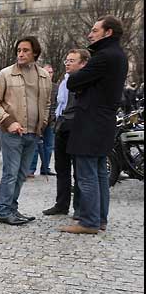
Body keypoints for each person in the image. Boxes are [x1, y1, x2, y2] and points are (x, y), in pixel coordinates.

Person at [58, 15, 128, 234]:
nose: (90, 34)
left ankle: (88, 221)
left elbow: (74, 81)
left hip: (90, 123)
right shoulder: (119, 55)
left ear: (108, 33)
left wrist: (81, 83)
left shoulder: (103, 56)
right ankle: (100, 219)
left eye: (95, 30)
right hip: (104, 122)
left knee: (87, 175)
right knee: (99, 174)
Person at [0, 36, 51, 226]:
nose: (21, 54)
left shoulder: (44, 76)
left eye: (25, 50)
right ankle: (4, 211)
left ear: (35, 53)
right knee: (11, 173)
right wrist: (9, 122)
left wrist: (44, 122)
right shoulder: (5, 74)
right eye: (19, 50)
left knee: (22, 174)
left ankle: (13, 208)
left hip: (33, 133)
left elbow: (47, 103)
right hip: (12, 133)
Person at [42, 49, 90, 217]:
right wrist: (54, 122)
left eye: (72, 60)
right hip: (62, 125)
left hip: (77, 127)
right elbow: (57, 104)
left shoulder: (85, 81)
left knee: (79, 170)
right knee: (61, 168)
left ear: (83, 63)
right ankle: (61, 205)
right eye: (67, 60)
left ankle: (79, 208)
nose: (68, 63)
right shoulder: (65, 81)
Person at [28, 64, 57, 177]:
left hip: (50, 122)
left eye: (50, 72)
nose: (49, 74)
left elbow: (57, 104)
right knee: (34, 147)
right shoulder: (35, 86)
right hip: (37, 122)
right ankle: (30, 169)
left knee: (48, 147)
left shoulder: (56, 87)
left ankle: (45, 168)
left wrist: (53, 118)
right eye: (46, 72)